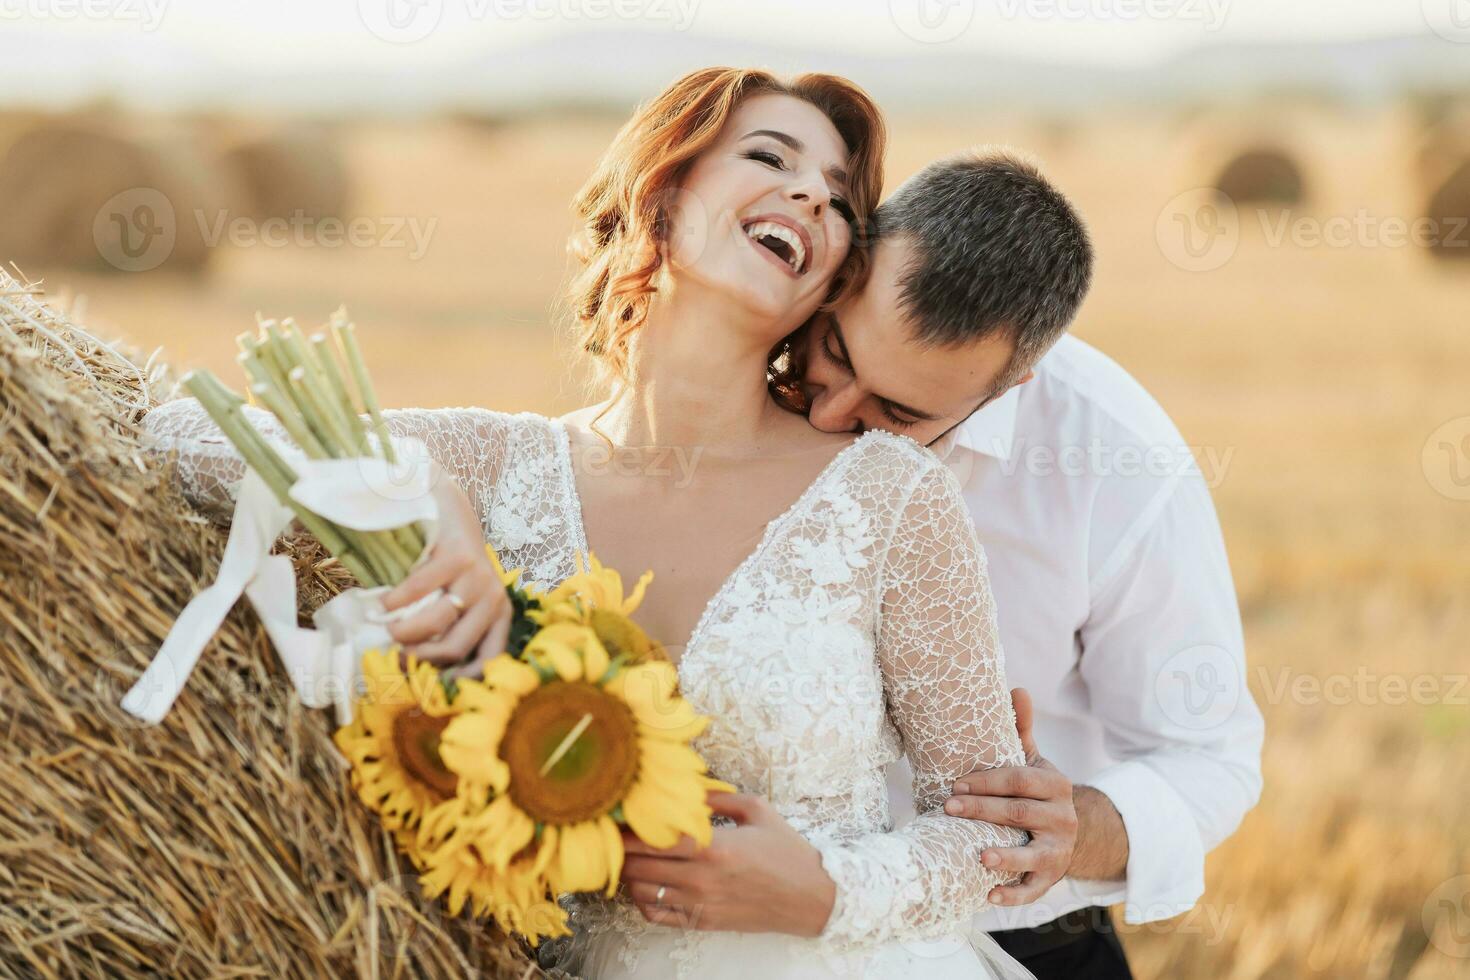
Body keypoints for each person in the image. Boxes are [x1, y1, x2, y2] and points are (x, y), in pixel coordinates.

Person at [139, 68, 1096, 980]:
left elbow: (993, 827)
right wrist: (425, 498)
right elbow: (183, 435)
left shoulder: (890, 494)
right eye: (772, 159)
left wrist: (824, 891)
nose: (813, 198)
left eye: (841, 202)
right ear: (664, 189)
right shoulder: (498, 465)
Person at [724, 150, 1263, 979]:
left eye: (897, 411)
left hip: (1018, 944)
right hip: (742, 937)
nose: (832, 411)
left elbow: (1211, 757)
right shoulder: (741, 356)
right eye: (837, 350)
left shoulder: (1121, 462)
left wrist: (1079, 824)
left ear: (1012, 382)